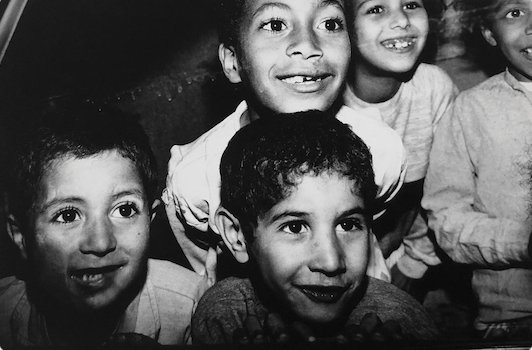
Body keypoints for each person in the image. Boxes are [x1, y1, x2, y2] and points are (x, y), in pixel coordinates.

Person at [163, 0, 407, 284]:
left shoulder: (381, 152)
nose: (308, 45)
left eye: (330, 24)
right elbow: (205, 269)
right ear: (232, 60)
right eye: (276, 25)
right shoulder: (196, 180)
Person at [191, 111, 438, 344]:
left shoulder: (400, 322)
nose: (331, 262)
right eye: (296, 227)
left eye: (348, 224)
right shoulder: (227, 316)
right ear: (237, 236)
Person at [0, 107, 207, 348]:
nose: (100, 243)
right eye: (67, 215)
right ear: (20, 235)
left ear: (150, 221)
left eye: (125, 210)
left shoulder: (193, 308)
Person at [422, 0, 532, 340]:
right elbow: (446, 219)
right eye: (515, 12)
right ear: (488, 33)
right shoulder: (470, 110)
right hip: (514, 320)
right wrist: (522, 241)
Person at [343, 0, 458, 289]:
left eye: (410, 4)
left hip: (404, 249)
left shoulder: (434, 89)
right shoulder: (321, 101)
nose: (402, 21)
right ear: (342, 26)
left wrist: (414, 261)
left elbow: (447, 191)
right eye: (376, 9)